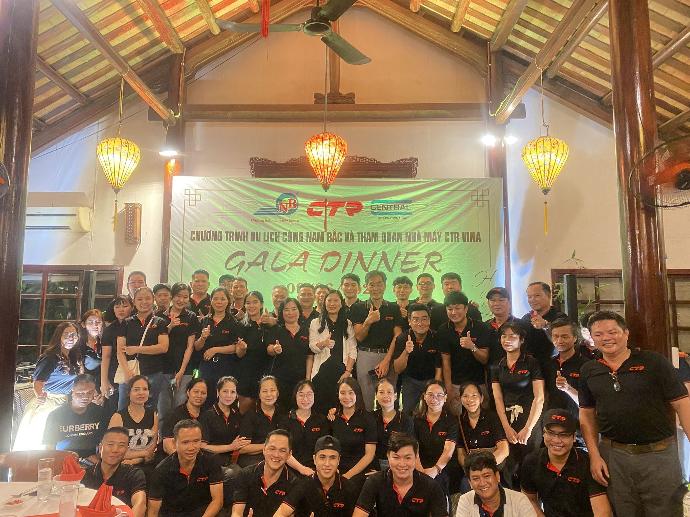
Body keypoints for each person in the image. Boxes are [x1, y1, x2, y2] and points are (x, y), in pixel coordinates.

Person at [579, 310, 690, 517]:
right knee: (624, 511)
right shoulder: (589, 370)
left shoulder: (654, 362)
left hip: (659, 454)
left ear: (626, 333)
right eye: (599, 334)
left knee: (667, 511)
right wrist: (594, 456)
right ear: (591, 338)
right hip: (614, 456)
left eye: (612, 332)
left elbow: (682, 404)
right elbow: (586, 414)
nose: (606, 338)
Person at [521, 409, 612, 517]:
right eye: (551, 433)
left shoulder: (588, 463)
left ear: (574, 437)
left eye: (563, 435)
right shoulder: (532, 461)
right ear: (543, 434)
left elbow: (603, 512)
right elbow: (529, 499)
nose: (556, 440)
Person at [13, 321, 83, 452]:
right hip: (48, 402)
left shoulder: (75, 357)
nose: (70, 337)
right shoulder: (50, 357)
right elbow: (38, 382)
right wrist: (40, 396)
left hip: (65, 402)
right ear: (59, 336)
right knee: (41, 441)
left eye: (74, 334)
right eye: (66, 334)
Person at [492, 322, 545, 488]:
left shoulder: (531, 362)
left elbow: (539, 398)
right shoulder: (497, 365)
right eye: (504, 336)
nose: (507, 340)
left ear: (521, 340)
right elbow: (498, 398)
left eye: (512, 336)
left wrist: (528, 428)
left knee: (530, 463)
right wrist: (506, 427)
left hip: (530, 418)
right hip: (507, 418)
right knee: (508, 465)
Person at [354, 433, 448, 517]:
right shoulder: (374, 481)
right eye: (396, 457)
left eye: (407, 458)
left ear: (416, 457)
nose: (402, 464)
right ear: (388, 456)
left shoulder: (431, 486)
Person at [349, 270, 404, 410]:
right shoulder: (358, 307)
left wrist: (387, 360)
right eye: (372, 285)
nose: (376, 288)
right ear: (366, 287)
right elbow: (359, 337)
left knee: (388, 399)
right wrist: (368, 322)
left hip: (389, 355)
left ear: (385, 285)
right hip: (366, 355)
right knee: (366, 399)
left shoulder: (393, 308)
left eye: (379, 284)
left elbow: (397, 336)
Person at [148, 419, 224, 517]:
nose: (191, 447)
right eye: (185, 442)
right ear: (174, 443)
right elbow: (153, 512)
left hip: (204, 513)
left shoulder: (211, 460)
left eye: (196, 441)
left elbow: (217, 501)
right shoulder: (161, 471)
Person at [116, 286, 170, 417]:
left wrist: (137, 349)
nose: (144, 302)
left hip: (153, 373)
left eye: (147, 298)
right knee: (123, 409)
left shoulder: (160, 322)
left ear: (153, 300)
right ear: (134, 302)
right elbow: (120, 350)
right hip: (130, 373)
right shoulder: (126, 323)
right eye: (140, 299)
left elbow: (163, 347)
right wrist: (127, 372)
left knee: (149, 410)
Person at [274, 435, 359, 517]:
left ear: (338, 460)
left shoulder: (350, 488)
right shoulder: (303, 486)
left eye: (332, 458)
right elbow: (280, 513)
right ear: (314, 459)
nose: (327, 463)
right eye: (322, 457)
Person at [438, 291, 490, 414]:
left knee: (480, 418)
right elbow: (446, 362)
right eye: (450, 309)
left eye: (457, 308)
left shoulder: (481, 327)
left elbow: (485, 359)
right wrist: (449, 388)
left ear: (466, 309)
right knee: (457, 418)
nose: (453, 312)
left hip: (479, 383)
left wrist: (472, 347)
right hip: (456, 384)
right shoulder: (443, 330)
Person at [232, 429, 300, 517]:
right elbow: (236, 513)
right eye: (272, 449)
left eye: (282, 450)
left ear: (289, 454)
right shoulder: (245, 474)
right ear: (264, 449)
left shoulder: (294, 484)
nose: (276, 455)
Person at [309, 289, 357, 414]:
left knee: (340, 408)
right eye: (329, 300)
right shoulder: (316, 322)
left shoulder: (347, 323)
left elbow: (353, 349)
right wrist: (323, 343)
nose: (332, 304)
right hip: (322, 371)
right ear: (324, 303)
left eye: (336, 300)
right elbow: (312, 346)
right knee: (321, 408)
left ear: (341, 303)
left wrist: (348, 371)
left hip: (342, 372)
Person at [83, 426, 147, 516]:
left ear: (126, 450)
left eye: (121, 445)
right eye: (110, 444)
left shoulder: (134, 474)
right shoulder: (85, 474)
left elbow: (140, 504)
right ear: (100, 447)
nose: (115, 450)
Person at [456, 381, 509, 491]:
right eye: (465, 396)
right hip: (473, 470)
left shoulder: (492, 417)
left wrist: (484, 468)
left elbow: (504, 450)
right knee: (465, 485)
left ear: (481, 398)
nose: (470, 400)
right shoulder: (459, 422)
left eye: (474, 395)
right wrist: (471, 469)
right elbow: (461, 454)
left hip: (493, 468)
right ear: (460, 399)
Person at [43, 373, 106, 465]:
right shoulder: (56, 415)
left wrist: (98, 456)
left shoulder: (100, 412)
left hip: (91, 460)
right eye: (80, 393)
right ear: (72, 391)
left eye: (90, 393)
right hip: (64, 460)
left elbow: (106, 441)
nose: (85, 397)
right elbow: (49, 447)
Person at [195, 287, 242, 407]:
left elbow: (236, 347)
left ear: (228, 301)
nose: (219, 302)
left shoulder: (234, 322)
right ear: (211, 301)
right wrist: (203, 338)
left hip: (226, 367)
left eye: (222, 299)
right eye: (215, 299)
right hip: (206, 367)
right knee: (205, 399)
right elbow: (197, 347)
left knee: (225, 400)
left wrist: (215, 350)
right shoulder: (204, 321)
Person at [266, 297, 314, 410]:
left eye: (294, 309)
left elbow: (310, 356)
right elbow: (268, 349)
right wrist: (275, 349)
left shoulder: (307, 331)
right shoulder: (276, 329)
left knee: (299, 410)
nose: (290, 313)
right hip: (280, 380)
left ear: (299, 311)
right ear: (281, 312)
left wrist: (307, 379)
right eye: (286, 310)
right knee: (280, 410)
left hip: (300, 380)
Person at [329, 378, 377, 492]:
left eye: (351, 393)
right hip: (337, 470)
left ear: (357, 394)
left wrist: (348, 475)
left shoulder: (368, 418)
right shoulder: (333, 418)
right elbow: (330, 449)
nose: (347, 397)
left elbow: (369, 455)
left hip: (361, 471)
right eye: (342, 393)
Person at [393, 303, 442, 413]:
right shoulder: (402, 338)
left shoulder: (437, 337)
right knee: (408, 412)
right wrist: (406, 352)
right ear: (409, 321)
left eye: (424, 319)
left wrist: (437, 385)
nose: (420, 323)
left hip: (431, 379)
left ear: (429, 320)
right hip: (410, 380)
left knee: (434, 410)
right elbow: (397, 369)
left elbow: (439, 365)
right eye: (415, 319)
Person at [412, 380, 457, 496]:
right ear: (424, 396)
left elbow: (448, 451)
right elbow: (414, 448)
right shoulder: (416, 420)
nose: (434, 399)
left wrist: (436, 469)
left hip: (443, 467)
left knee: (438, 484)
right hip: (419, 466)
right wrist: (420, 470)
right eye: (430, 395)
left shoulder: (451, 421)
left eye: (439, 395)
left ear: (445, 398)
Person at [456, 451, 535, 516]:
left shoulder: (519, 500)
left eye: (486, 476)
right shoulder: (465, 501)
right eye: (476, 478)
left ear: (497, 476)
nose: (482, 483)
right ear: (470, 483)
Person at [161, 282, 201, 406]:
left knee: (180, 404)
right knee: (163, 406)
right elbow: (158, 340)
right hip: (163, 367)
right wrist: (170, 326)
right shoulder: (160, 316)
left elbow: (190, 346)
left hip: (185, 368)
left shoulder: (191, 317)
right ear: (172, 296)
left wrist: (181, 371)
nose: (181, 300)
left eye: (185, 297)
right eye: (178, 296)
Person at [237, 376, 289, 467]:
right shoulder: (250, 415)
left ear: (277, 393)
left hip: (277, 457)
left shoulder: (283, 413)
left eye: (272, 390)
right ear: (259, 394)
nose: (269, 394)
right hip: (253, 460)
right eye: (264, 391)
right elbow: (242, 448)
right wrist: (269, 446)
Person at [108, 375, 158, 468]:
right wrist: (143, 454)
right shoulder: (118, 417)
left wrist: (137, 460)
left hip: (145, 464)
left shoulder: (153, 415)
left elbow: (152, 446)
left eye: (145, 389)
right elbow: (113, 449)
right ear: (128, 392)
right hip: (121, 465)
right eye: (136, 389)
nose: (141, 393)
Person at [200, 376, 250, 465]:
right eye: (225, 391)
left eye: (233, 392)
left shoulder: (237, 414)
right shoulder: (207, 415)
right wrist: (230, 447)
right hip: (211, 462)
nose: (229, 395)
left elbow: (242, 442)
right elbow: (203, 447)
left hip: (234, 461)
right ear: (218, 392)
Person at [520, 282, 567, 374]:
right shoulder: (525, 318)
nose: (532, 300)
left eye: (537, 295)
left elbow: (561, 341)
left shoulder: (560, 317)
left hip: (553, 367)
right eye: (529, 297)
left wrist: (545, 326)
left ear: (548, 296)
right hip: (529, 369)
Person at [235, 291, 270, 414]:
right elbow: (239, 354)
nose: (251, 305)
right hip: (246, 374)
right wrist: (243, 348)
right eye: (248, 303)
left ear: (261, 304)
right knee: (244, 412)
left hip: (266, 374)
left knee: (263, 412)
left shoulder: (268, 325)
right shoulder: (241, 325)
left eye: (255, 302)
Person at [284, 380, 329, 475]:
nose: (305, 399)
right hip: (290, 470)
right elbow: (283, 450)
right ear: (295, 396)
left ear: (314, 396)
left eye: (309, 394)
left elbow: (325, 449)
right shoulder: (285, 420)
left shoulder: (322, 420)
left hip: (317, 470)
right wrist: (302, 469)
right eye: (301, 395)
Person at [546, 318, 585, 418]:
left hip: (578, 422)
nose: (559, 341)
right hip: (552, 420)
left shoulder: (586, 365)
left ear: (575, 338)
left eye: (564, 336)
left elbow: (589, 403)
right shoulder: (548, 363)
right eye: (555, 336)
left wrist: (568, 388)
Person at [372, 378, 413, 470]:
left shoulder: (406, 420)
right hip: (373, 464)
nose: (385, 396)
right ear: (376, 396)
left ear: (395, 396)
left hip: (398, 465)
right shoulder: (370, 417)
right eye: (381, 392)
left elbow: (408, 449)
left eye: (389, 392)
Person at [101, 296, 132, 414]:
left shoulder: (136, 326)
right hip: (114, 373)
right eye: (117, 307)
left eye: (125, 306)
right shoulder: (109, 330)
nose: (121, 309)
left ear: (132, 307)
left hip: (134, 370)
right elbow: (106, 356)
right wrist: (104, 381)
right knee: (116, 409)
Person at [161, 378, 208, 455]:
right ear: (188, 392)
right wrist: (186, 460)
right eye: (196, 392)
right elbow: (167, 447)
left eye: (203, 393)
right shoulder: (173, 414)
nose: (199, 395)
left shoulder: (207, 415)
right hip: (174, 458)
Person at [485, 287, 527, 366]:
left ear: (509, 303)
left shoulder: (521, 325)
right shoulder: (485, 326)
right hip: (492, 371)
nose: (496, 304)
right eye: (493, 300)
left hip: (517, 370)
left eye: (501, 300)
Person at [79, 309, 103, 391]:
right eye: (90, 322)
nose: (95, 325)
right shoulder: (78, 343)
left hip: (103, 384)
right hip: (84, 386)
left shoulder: (105, 342)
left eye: (98, 322)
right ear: (83, 324)